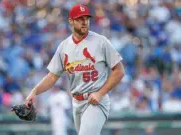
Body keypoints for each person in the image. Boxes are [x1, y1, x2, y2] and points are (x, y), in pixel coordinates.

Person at [25, 4, 125, 135]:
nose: (84, 22)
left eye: (86, 18)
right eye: (80, 19)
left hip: (96, 100)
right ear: (71, 21)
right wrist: (34, 91)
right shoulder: (64, 46)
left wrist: (100, 93)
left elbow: (119, 71)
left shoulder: (101, 42)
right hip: (77, 102)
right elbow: (53, 76)